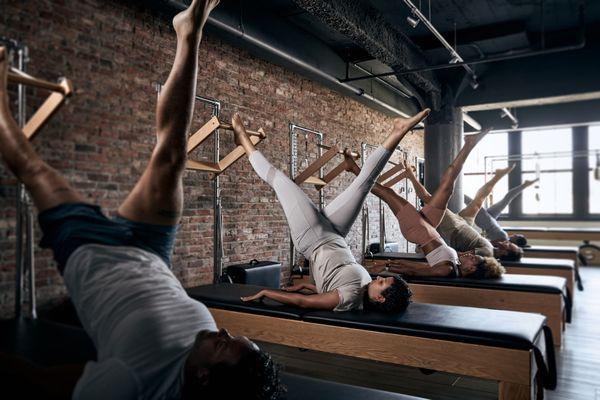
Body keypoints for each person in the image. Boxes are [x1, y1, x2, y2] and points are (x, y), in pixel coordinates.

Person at [0, 1, 283, 399]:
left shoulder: (133, 381)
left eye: (224, 344)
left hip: (92, 253)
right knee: (171, 156)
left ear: (202, 376)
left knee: (34, 169)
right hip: (151, 251)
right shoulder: (203, 349)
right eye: (234, 336)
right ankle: (190, 32)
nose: (223, 331)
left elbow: (41, 382)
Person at [235, 109, 432, 312]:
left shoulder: (349, 298)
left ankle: (243, 140)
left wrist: (267, 292)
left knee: (279, 180)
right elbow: (333, 280)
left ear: (380, 299)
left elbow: (303, 302)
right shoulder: (364, 287)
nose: (379, 278)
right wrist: (310, 286)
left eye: (382, 283)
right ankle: (398, 131)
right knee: (365, 184)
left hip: (314, 239)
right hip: (337, 235)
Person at [353, 129, 499, 278]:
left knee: (388, 193)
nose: (471, 255)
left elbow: (414, 271)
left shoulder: (447, 270)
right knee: (447, 188)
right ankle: (469, 144)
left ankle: (353, 169)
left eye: (473, 259)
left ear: (471, 269)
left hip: (419, 231)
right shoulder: (455, 263)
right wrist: (388, 264)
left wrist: (385, 268)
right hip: (430, 227)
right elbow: (418, 266)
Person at [403, 162, 506, 279]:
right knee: (478, 202)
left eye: (507, 246)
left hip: (456, 229)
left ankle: (410, 175)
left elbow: (460, 255)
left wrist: (430, 250)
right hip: (466, 224)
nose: (506, 242)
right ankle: (497, 177)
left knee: (429, 200)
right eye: (508, 243)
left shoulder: (486, 254)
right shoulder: (490, 250)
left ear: (505, 253)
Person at [464, 179, 539, 249]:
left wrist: (481, 239)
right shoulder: (505, 238)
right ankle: (524, 185)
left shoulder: (504, 240)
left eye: (517, 236)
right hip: (491, 219)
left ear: (516, 242)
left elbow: (489, 243)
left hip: (485, 222)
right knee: (507, 199)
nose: (515, 234)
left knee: (473, 203)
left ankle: (457, 191)